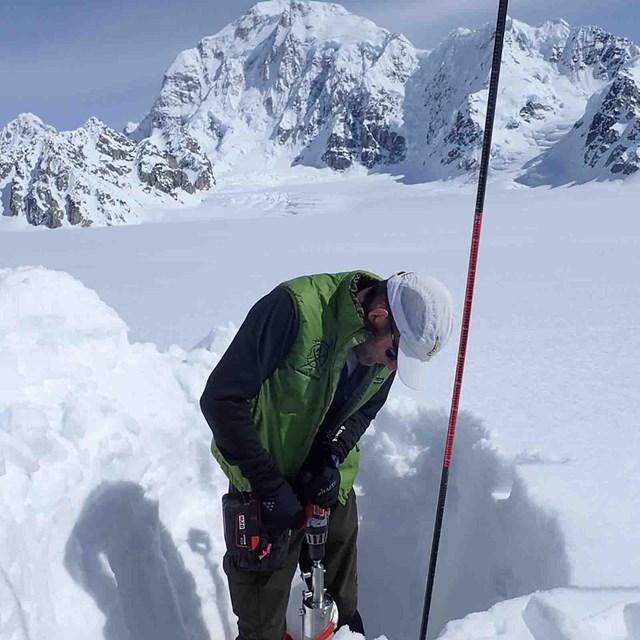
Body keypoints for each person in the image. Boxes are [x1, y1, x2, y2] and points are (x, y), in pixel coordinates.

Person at [200, 270, 454, 640]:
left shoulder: (384, 355)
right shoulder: (294, 310)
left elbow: (363, 410)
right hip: (261, 487)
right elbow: (222, 400)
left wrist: (330, 456)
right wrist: (270, 488)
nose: (394, 367)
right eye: (395, 353)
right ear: (379, 316)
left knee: (343, 610)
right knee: (261, 627)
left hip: (327, 486)